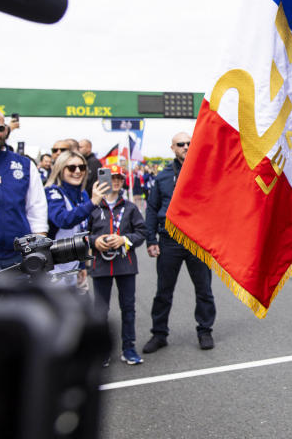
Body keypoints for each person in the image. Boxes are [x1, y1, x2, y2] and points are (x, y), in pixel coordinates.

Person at [143, 132, 216, 353]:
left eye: (189, 143)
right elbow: (152, 209)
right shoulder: (163, 176)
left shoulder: (206, 172)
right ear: (173, 148)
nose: (186, 147)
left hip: (197, 239)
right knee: (163, 291)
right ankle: (159, 334)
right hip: (169, 240)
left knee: (204, 289)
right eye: (181, 144)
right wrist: (150, 239)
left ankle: (205, 331)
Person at [0, 107, 48, 268]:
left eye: (0, 128)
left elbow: (37, 210)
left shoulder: (25, 165)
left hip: (20, 254)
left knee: (22, 295)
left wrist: (39, 249)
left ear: (6, 130)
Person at [89, 166, 147, 366]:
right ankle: (101, 351)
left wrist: (124, 239)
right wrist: (95, 240)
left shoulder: (130, 207)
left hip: (125, 265)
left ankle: (129, 348)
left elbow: (141, 233)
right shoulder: (93, 207)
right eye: (112, 178)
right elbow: (83, 234)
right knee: (100, 311)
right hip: (100, 265)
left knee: (128, 308)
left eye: (119, 178)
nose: (115, 182)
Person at [45, 150, 109, 288]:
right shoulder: (52, 191)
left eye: (82, 167)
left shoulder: (83, 195)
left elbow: (81, 233)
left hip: (72, 265)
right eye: (72, 167)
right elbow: (63, 220)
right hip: (53, 268)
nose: (78, 171)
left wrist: (81, 265)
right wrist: (92, 203)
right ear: (60, 169)